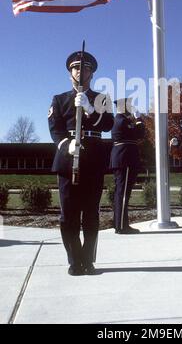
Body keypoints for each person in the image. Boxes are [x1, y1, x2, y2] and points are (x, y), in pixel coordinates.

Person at [48, 50, 114, 275]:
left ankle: (88, 259)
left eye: (85, 68)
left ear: (91, 74)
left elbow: (107, 124)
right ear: (70, 74)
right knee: (69, 215)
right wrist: (68, 145)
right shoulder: (59, 99)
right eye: (76, 68)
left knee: (91, 214)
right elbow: (55, 130)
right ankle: (74, 260)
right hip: (67, 160)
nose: (80, 71)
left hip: (93, 159)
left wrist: (89, 109)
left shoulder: (102, 99)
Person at [110, 97, 145, 234]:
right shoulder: (122, 120)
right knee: (123, 193)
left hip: (122, 158)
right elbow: (140, 134)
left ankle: (118, 224)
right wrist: (139, 119)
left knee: (120, 193)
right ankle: (122, 226)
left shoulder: (118, 119)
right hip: (125, 159)